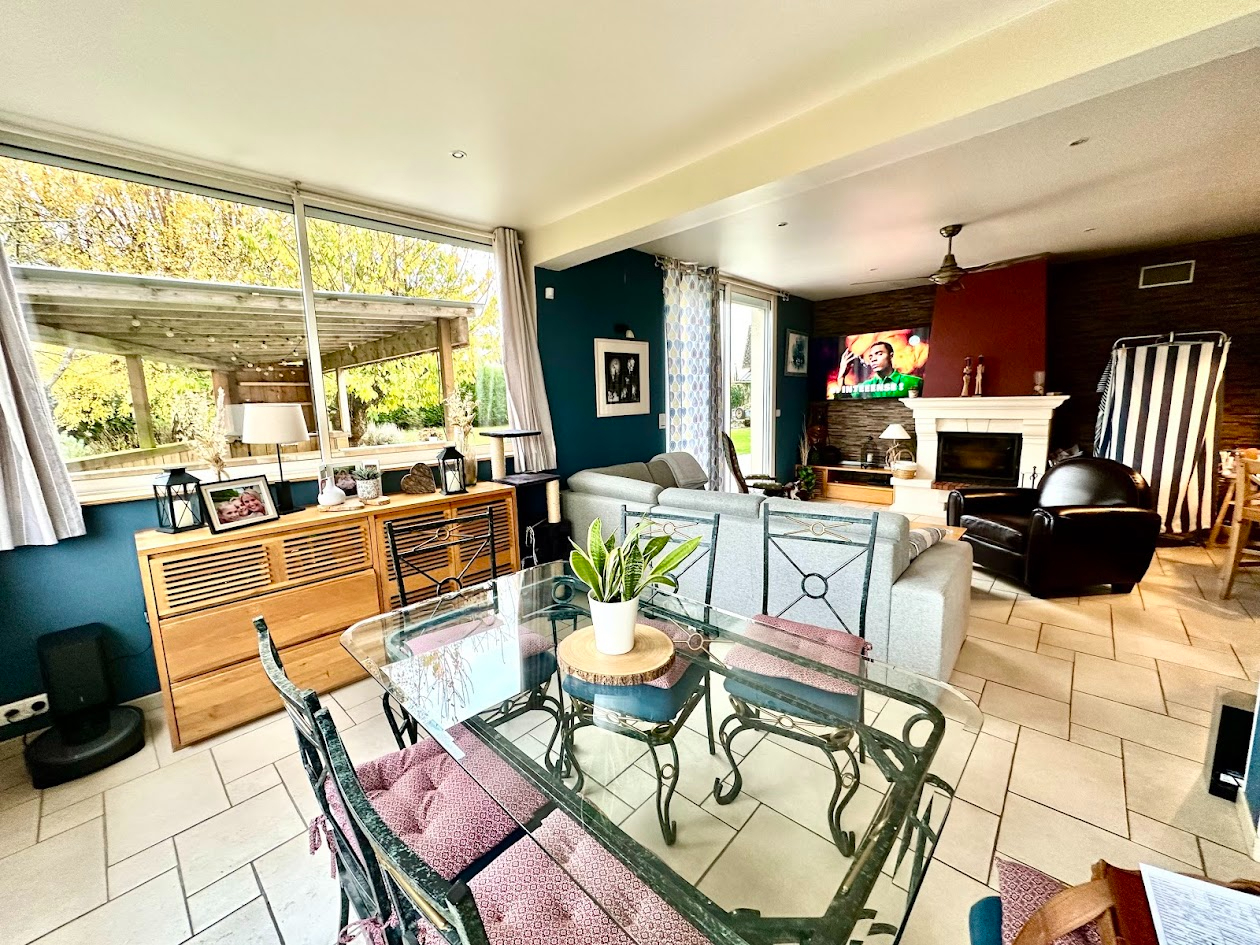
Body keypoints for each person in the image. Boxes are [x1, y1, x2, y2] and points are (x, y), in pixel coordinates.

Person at [839, 341, 923, 398]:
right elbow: (843, 400)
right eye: (870, 357)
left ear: (891, 355)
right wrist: (841, 376)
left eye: (879, 354)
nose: (873, 359)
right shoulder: (866, 386)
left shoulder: (914, 382)